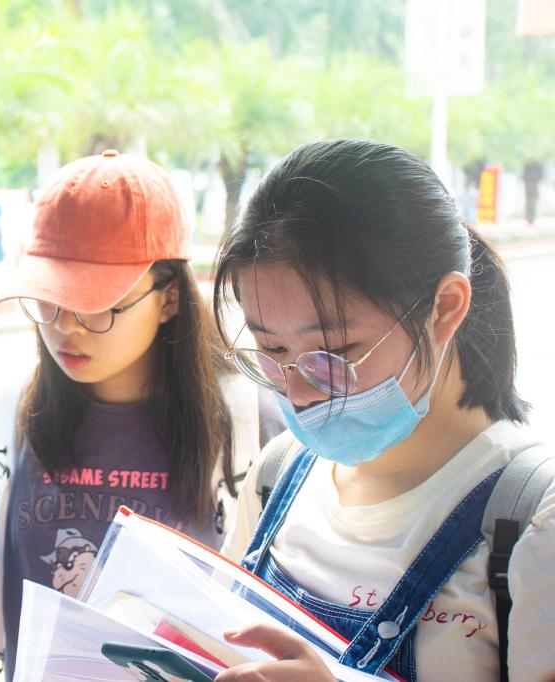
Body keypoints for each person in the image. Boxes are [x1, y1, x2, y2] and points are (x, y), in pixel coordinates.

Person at [211, 139, 554, 681]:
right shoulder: (277, 473)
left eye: (334, 354)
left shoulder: (534, 518)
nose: (298, 392)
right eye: (272, 350)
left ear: (445, 309)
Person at [0, 150, 284, 677]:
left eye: (95, 303)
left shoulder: (247, 422)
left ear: (169, 299)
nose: (65, 326)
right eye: (49, 298)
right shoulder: (16, 409)